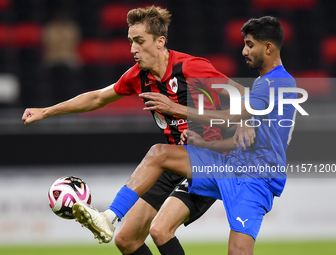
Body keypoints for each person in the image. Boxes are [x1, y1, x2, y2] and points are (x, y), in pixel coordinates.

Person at [22, 6, 248, 255]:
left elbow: (246, 100)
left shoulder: (190, 68)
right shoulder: (138, 76)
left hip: (216, 160)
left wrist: (182, 110)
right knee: (127, 240)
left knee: (160, 220)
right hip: (179, 158)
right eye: (130, 42)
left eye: (139, 41)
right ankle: (111, 220)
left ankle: (108, 217)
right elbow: (97, 98)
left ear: (160, 42)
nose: (132, 49)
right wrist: (46, 111)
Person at [72, 16, 297, 255]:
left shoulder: (279, 83)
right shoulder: (263, 84)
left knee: (238, 252)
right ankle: (109, 216)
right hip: (229, 165)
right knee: (159, 165)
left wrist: (176, 108)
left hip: (255, 179)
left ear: (269, 47)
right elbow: (244, 141)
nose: (243, 51)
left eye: (250, 45)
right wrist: (206, 141)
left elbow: (231, 117)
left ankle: (109, 217)